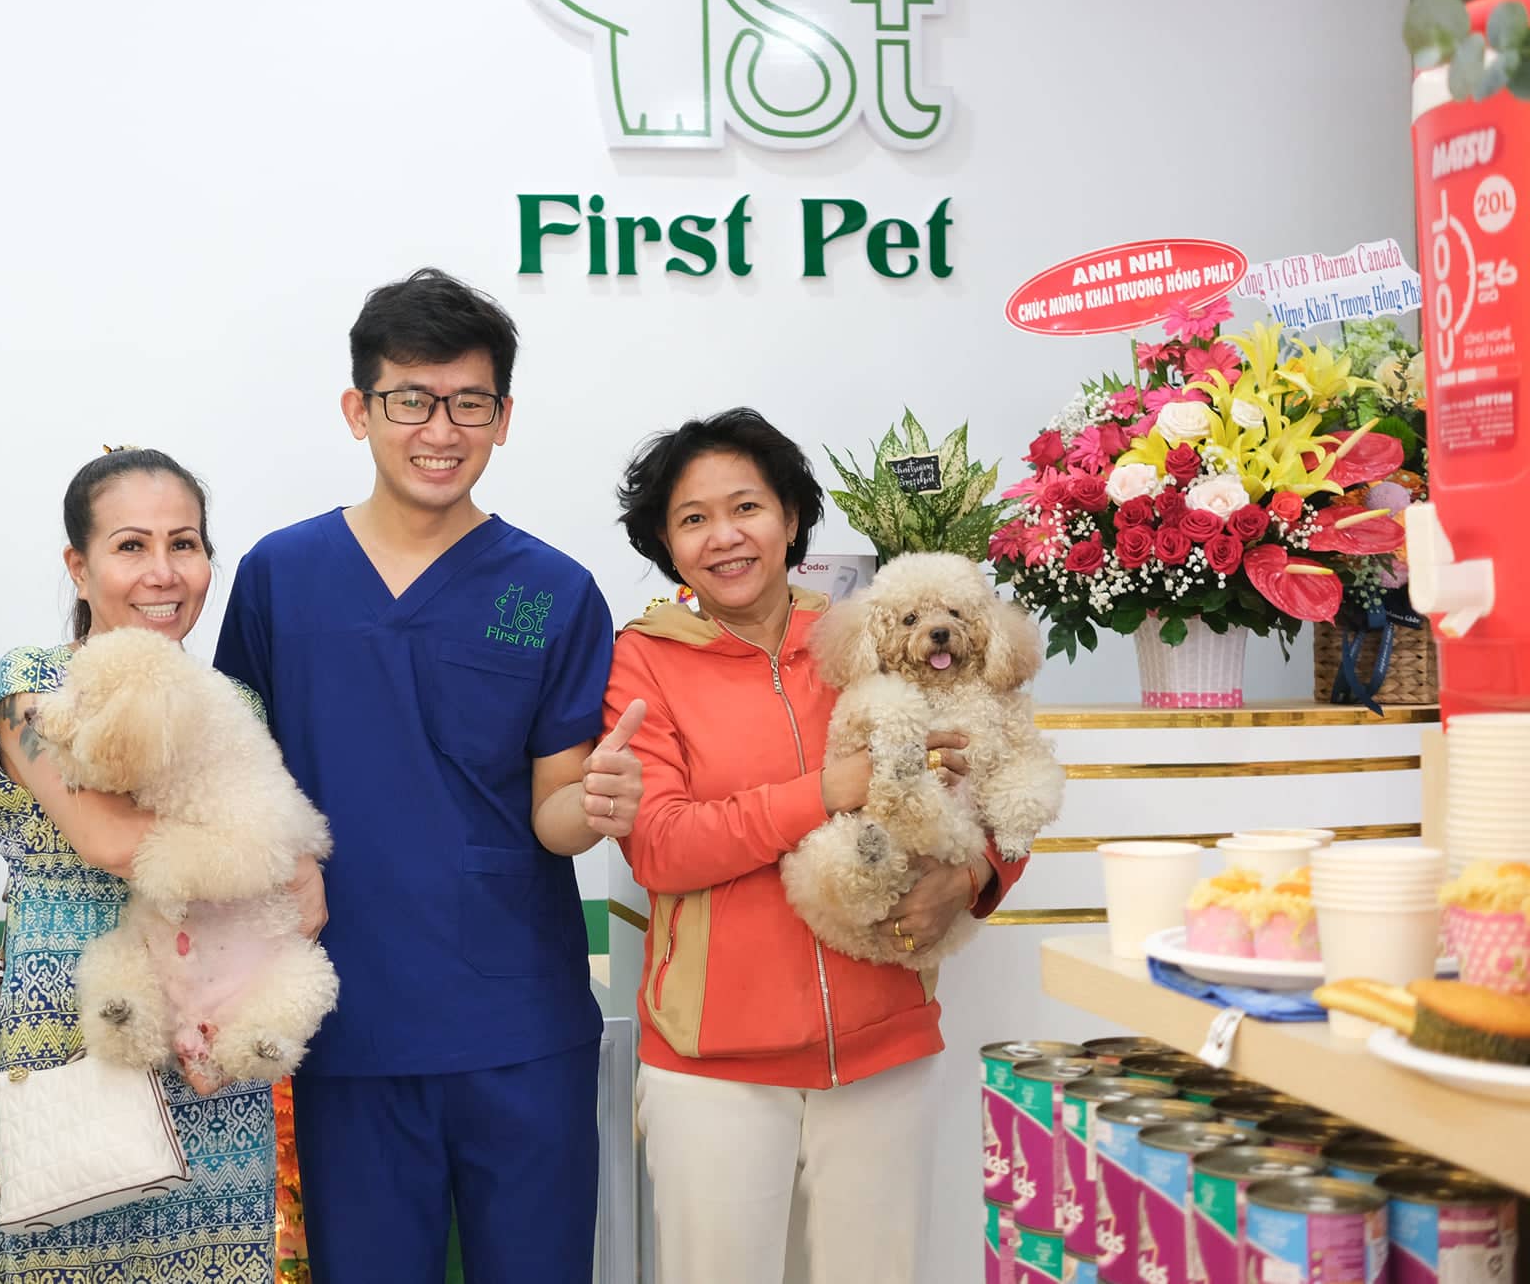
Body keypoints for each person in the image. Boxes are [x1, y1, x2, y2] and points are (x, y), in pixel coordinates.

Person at [214, 268, 641, 1284]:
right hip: (345, 1019)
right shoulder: (281, 576)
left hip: (518, 1023)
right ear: (358, 408)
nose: (440, 430)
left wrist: (595, 806)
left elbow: (552, 811)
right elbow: (231, 772)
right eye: (411, 399)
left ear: (503, 418)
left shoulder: (551, 591)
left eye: (469, 403)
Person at [605, 408, 1028, 1284]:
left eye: (747, 507)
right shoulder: (643, 661)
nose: (726, 536)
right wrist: (827, 791)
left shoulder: (874, 635)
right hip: (714, 1065)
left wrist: (974, 874)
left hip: (883, 1048)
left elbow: (989, 762)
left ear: (791, 516)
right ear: (666, 543)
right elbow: (661, 846)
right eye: (693, 519)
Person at [0, 447, 323, 1284]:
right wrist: (277, 857)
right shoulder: (34, 688)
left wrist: (285, 863)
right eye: (131, 545)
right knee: (61, 1256)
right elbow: (108, 840)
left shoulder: (236, 703)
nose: (163, 572)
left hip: (214, 1056)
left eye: (185, 544)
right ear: (79, 566)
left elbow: (299, 884)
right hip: (78, 1035)